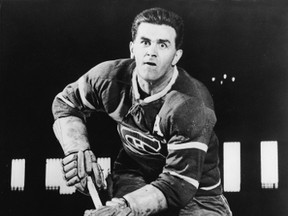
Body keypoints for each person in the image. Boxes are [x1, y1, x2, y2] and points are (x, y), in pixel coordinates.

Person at [52, 7, 232, 216]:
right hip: (135, 173)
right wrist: (77, 150)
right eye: (145, 42)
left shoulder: (191, 104)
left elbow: (178, 184)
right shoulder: (109, 78)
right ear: (132, 48)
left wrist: (126, 207)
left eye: (162, 45)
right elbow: (65, 103)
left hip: (196, 193)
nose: (151, 52)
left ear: (176, 56)